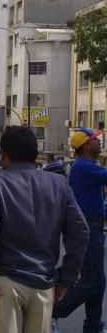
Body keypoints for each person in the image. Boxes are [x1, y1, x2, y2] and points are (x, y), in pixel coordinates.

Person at [0, 126, 89, 333]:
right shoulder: (59, 184)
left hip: (5, 283)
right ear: (35, 153)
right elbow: (81, 232)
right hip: (44, 284)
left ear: (3, 153)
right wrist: (65, 278)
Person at [52, 128, 107, 333]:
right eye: (94, 139)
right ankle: (53, 311)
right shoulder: (84, 167)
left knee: (98, 281)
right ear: (85, 145)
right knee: (93, 280)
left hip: (91, 227)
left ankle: (93, 326)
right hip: (88, 228)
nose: (98, 142)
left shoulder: (87, 167)